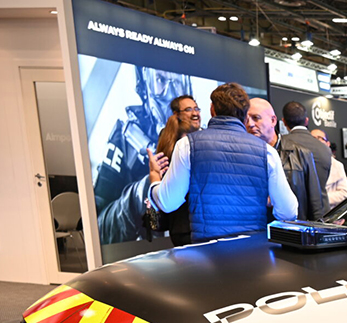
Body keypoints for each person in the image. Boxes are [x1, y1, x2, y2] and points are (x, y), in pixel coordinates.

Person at [148, 83, 297, 242]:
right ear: (245, 115)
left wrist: (154, 177)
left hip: (205, 252)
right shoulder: (267, 152)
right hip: (253, 251)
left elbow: (168, 203)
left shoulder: (187, 146)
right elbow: (289, 212)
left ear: (212, 109)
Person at [93, 67, 191, 245]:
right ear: (144, 85)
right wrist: (143, 193)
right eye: (160, 80)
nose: (171, 93)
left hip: (197, 245)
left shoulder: (199, 142)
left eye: (176, 82)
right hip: (160, 250)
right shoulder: (124, 139)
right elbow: (99, 229)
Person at [247, 98, 324, 221]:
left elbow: (315, 204)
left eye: (256, 118)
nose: (250, 124)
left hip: (291, 231)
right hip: (256, 232)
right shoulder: (243, 156)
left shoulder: (300, 153)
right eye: (246, 119)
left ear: (273, 121)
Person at [154, 95, 202, 246]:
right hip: (182, 224)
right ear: (176, 114)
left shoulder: (205, 137)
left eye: (196, 108)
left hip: (203, 223)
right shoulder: (169, 143)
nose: (195, 113)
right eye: (188, 109)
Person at [281, 101, 332, 214]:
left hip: (295, 215)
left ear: (283, 121)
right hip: (323, 213)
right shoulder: (325, 148)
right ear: (307, 120)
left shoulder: (282, 145)